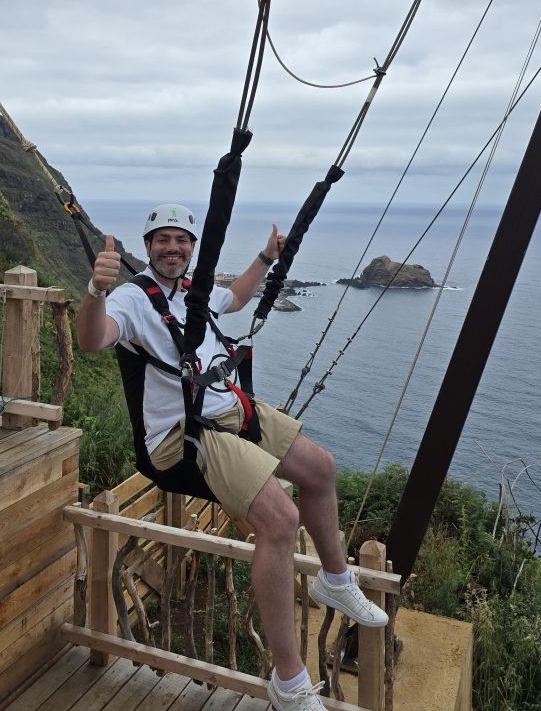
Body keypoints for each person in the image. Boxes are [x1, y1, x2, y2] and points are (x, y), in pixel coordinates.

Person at [77, 202, 388, 711]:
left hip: (226, 406)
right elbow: (93, 340)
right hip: (184, 431)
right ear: (148, 245)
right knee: (281, 521)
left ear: (192, 248)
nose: (172, 248)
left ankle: (335, 581)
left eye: (182, 240)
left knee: (321, 469)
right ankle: (289, 682)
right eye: (162, 240)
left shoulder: (192, 292)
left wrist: (266, 257)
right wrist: (96, 291)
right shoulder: (134, 299)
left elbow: (238, 297)